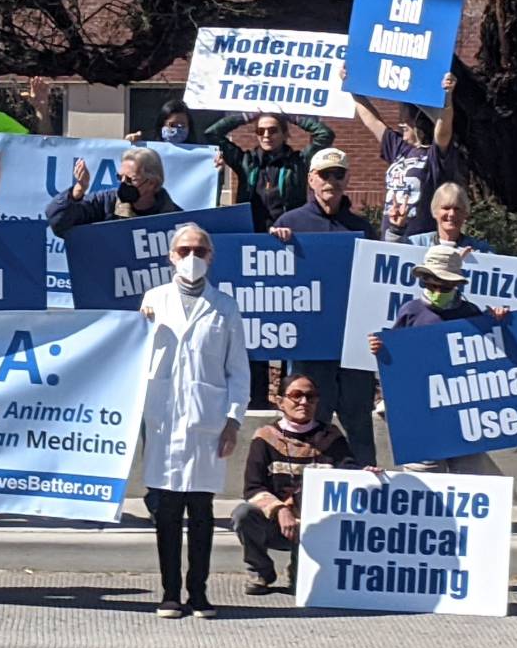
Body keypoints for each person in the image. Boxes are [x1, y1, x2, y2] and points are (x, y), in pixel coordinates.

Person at [136, 224, 247, 619]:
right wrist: (139, 324)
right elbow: (131, 358)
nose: (192, 258)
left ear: (212, 256)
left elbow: (238, 371)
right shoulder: (154, 300)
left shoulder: (225, 306)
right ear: (171, 255)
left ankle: (198, 592)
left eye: (200, 250)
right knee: (166, 513)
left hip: (207, 423)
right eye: (184, 250)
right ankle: (169, 592)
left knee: (200, 512)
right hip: (163, 421)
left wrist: (233, 420)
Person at [270, 148, 379, 467]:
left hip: (352, 346)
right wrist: (273, 243)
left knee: (359, 424)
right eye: (324, 174)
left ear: (346, 180)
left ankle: (365, 496)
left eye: (338, 174)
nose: (331, 180)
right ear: (311, 179)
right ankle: (302, 491)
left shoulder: (361, 228)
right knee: (308, 423)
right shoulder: (289, 224)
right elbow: (269, 278)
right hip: (310, 347)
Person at [368, 245, 509, 473]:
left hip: (464, 420)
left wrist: (497, 319)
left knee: (468, 484)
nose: (436, 290)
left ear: (455, 286)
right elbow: (395, 361)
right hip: (421, 419)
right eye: (430, 284)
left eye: (443, 286)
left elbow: (492, 357)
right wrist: (380, 349)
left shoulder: (471, 313)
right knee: (424, 490)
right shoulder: (410, 311)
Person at [230, 373, 362, 594]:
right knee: (243, 513)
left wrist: (366, 474)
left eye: (311, 397)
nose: (304, 402)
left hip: (316, 524)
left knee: (303, 586)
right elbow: (253, 488)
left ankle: (298, 570)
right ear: (280, 401)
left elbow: (347, 472)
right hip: (276, 524)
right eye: (296, 395)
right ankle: (260, 571)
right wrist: (280, 509)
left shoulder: (331, 437)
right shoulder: (265, 437)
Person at [347, 68, 457, 241]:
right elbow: (372, 120)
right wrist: (352, 87)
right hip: (391, 236)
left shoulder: (434, 156)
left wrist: (447, 99)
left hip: (419, 241)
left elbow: (444, 130)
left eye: (409, 118)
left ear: (421, 123)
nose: (402, 122)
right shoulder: (399, 148)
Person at [204, 111, 336, 224]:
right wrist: (245, 117)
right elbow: (212, 134)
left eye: (273, 130)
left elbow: (325, 134)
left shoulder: (298, 161)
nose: (266, 135)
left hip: (289, 231)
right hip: (252, 232)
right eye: (260, 131)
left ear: (285, 134)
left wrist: (293, 117)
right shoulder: (246, 161)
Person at [46, 146, 182, 237]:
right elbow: (58, 222)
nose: (123, 184)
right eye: (119, 177)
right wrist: (78, 190)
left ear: (152, 183)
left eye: (130, 180)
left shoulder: (175, 218)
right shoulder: (106, 202)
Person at [405, 182, 492, 251]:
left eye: (457, 209)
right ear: (435, 211)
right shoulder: (415, 243)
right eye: (446, 208)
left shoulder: (481, 250)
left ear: (465, 213)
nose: (451, 214)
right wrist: (395, 230)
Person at [127, 99, 200, 145]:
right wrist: (131, 141)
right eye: (172, 125)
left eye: (182, 125)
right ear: (162, 124)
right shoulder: (147, 143)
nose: (177, 129)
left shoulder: (199, 150)